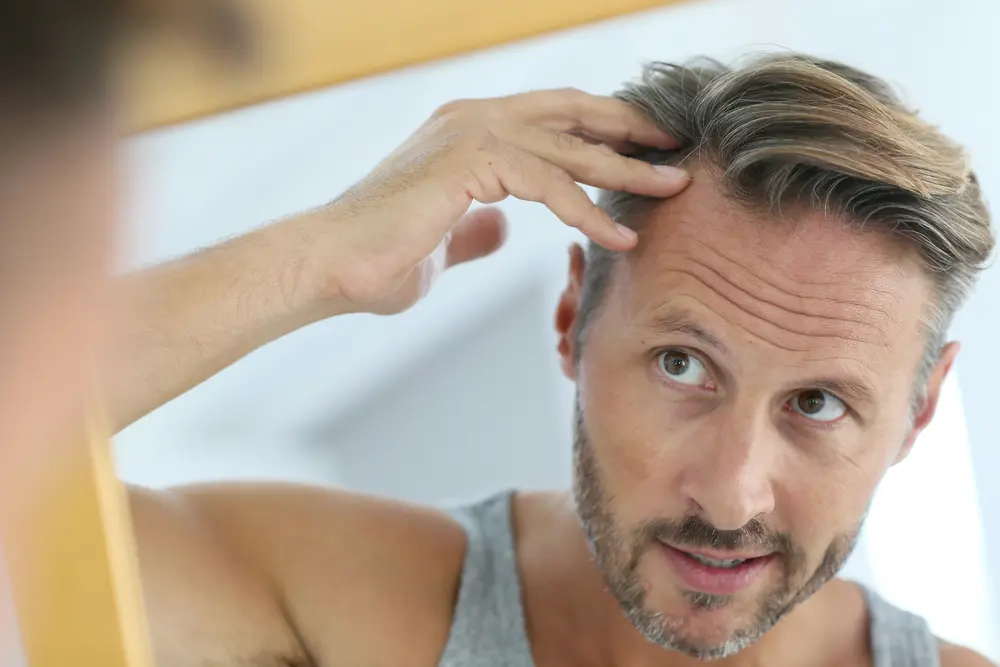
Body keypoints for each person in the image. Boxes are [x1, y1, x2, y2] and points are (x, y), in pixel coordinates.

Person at [0, 4, 994, 667]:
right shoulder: (345, 601)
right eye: (682, 364)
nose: (730, 493)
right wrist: (318, 258)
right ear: (571, 319)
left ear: (917, 409)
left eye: (817, 403)